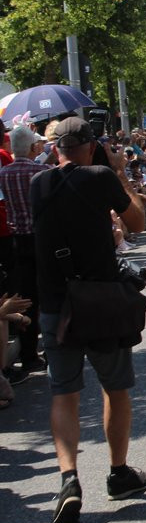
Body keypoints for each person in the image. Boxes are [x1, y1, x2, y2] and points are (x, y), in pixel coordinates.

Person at [31, 118, 146, 523]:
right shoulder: (100, 175)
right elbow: (137, 222)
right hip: (99, 299)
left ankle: (68, 480)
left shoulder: (38, 185)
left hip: (55, 303)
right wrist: (119, 170)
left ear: (55, 149)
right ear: (90, 146)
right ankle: (119, 473)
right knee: (114, 389)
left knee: (64, 393)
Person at [0, 125, 51, 378]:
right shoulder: (42, 172)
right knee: (51, 293)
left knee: (26, 300)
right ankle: (53, 349)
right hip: (42, 239)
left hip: (17, 241)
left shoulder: (4, 174)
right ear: (33, 147)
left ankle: (29, 356)